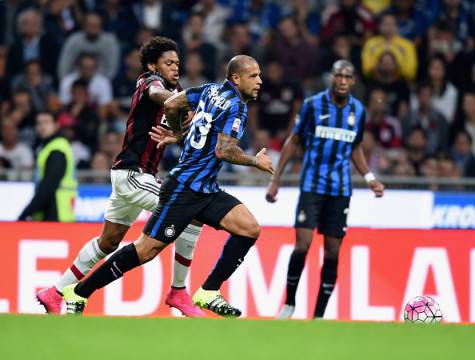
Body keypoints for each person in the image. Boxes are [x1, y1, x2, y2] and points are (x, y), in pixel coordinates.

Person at [61, 55, 273, 317]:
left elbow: (172, 104)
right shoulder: (236, 107)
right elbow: (224, 150)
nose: (260, 81)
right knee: (146, 250)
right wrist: (256, 161)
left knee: (249, 228)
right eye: (254, 76)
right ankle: (79, 292)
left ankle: (209, 291)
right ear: (236, 78)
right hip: (183, 189)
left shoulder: (207, 90)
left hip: (205, 188)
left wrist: (180, 134)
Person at [36, 36, 205, 317]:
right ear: (153, 65)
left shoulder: (176, 93)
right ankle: (178, 292)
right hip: (133, 174)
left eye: (178, 63)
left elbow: (185, 127)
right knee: (193, 212)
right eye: (169, 63)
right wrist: (189, 101)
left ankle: (54, 292)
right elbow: (159, 96)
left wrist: (179, 133)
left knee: (109, 241)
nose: (176, 67)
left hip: (133, 177)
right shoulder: (149, 82)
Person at [266, 60, 385, 319]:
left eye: (348, 77)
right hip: (311, 186)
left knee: (332, 250)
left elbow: (355, 147)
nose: (342, 81)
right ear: (331, 78)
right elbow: (294, 141)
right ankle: (289, 304)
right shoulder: (312, 105)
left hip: (340, 190)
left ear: (353, 82)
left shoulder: (359, 111)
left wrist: (369, 177)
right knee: (303, 244)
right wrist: (276, 180)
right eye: (339, 76)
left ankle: (319, 315)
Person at [18, 112, 77, 222]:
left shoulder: (57, 149)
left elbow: (48, 186)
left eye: (46, 122)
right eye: (39, 123)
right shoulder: (49, 147)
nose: (42, 127)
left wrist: (26, 213)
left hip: (56, 211)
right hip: (58, 211)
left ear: (56, 125)